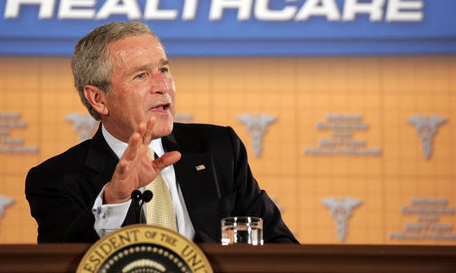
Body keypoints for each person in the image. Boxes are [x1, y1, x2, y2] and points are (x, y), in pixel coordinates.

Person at [25, 21, 298, 244]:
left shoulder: (219, 148)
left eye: (164, 70)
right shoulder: (55, 179)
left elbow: (280, 244)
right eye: (141, 75)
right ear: (98, 98)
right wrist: (114, 200)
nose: (162, 86)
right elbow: (65, 263)